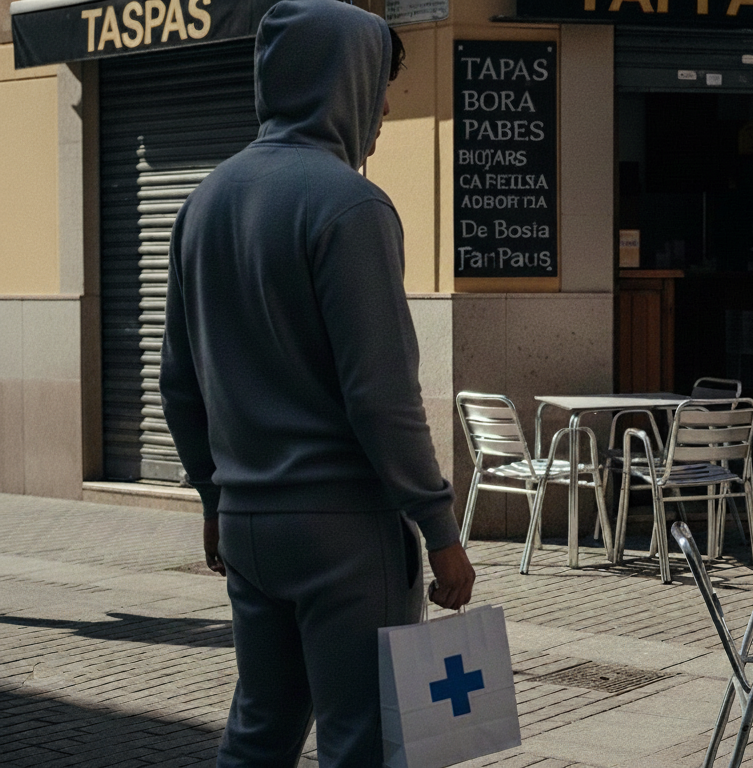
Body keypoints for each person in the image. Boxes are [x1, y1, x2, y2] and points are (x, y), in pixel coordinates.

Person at [160, 1, 475, 765]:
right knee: (362, 741)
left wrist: (212, 498)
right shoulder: (351, 206)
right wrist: (440, 531)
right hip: (345, 529)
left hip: (248, 524)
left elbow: (179, 382)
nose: (388, 105)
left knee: (261, 730)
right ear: (346, 82)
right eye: (381, 83)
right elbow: (382, 396)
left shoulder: (203, 202)